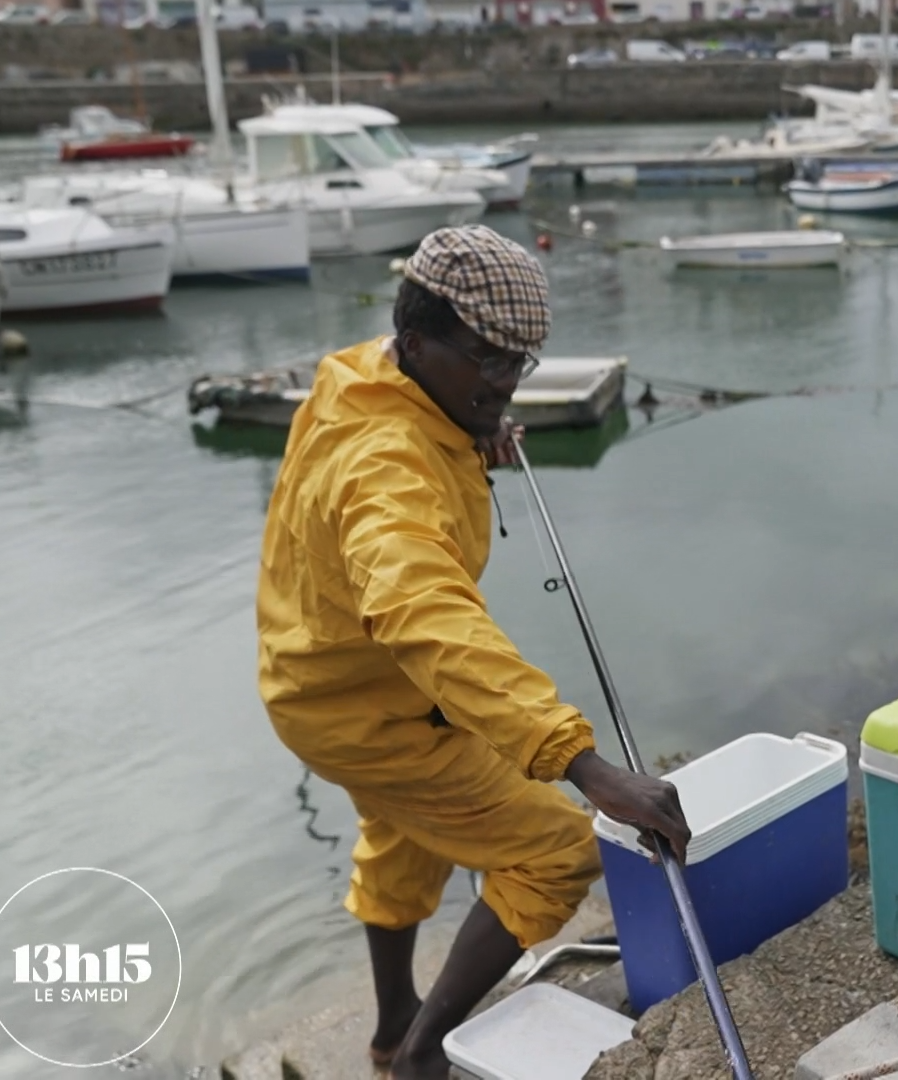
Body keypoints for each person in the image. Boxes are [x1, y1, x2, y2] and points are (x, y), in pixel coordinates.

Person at [255, 225, 692, 1080]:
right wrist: (582, 764)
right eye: (487, 360)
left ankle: (392, 1026)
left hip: (321, 681)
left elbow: (423, 433)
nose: (506, 382)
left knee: (402, 837)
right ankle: (421, 1056)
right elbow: (426, 613)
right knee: (559, 850)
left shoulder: (369, 378)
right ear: (419, 342)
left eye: (519, 361)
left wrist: (468, 426)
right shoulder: (386, 465)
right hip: (374, 709)